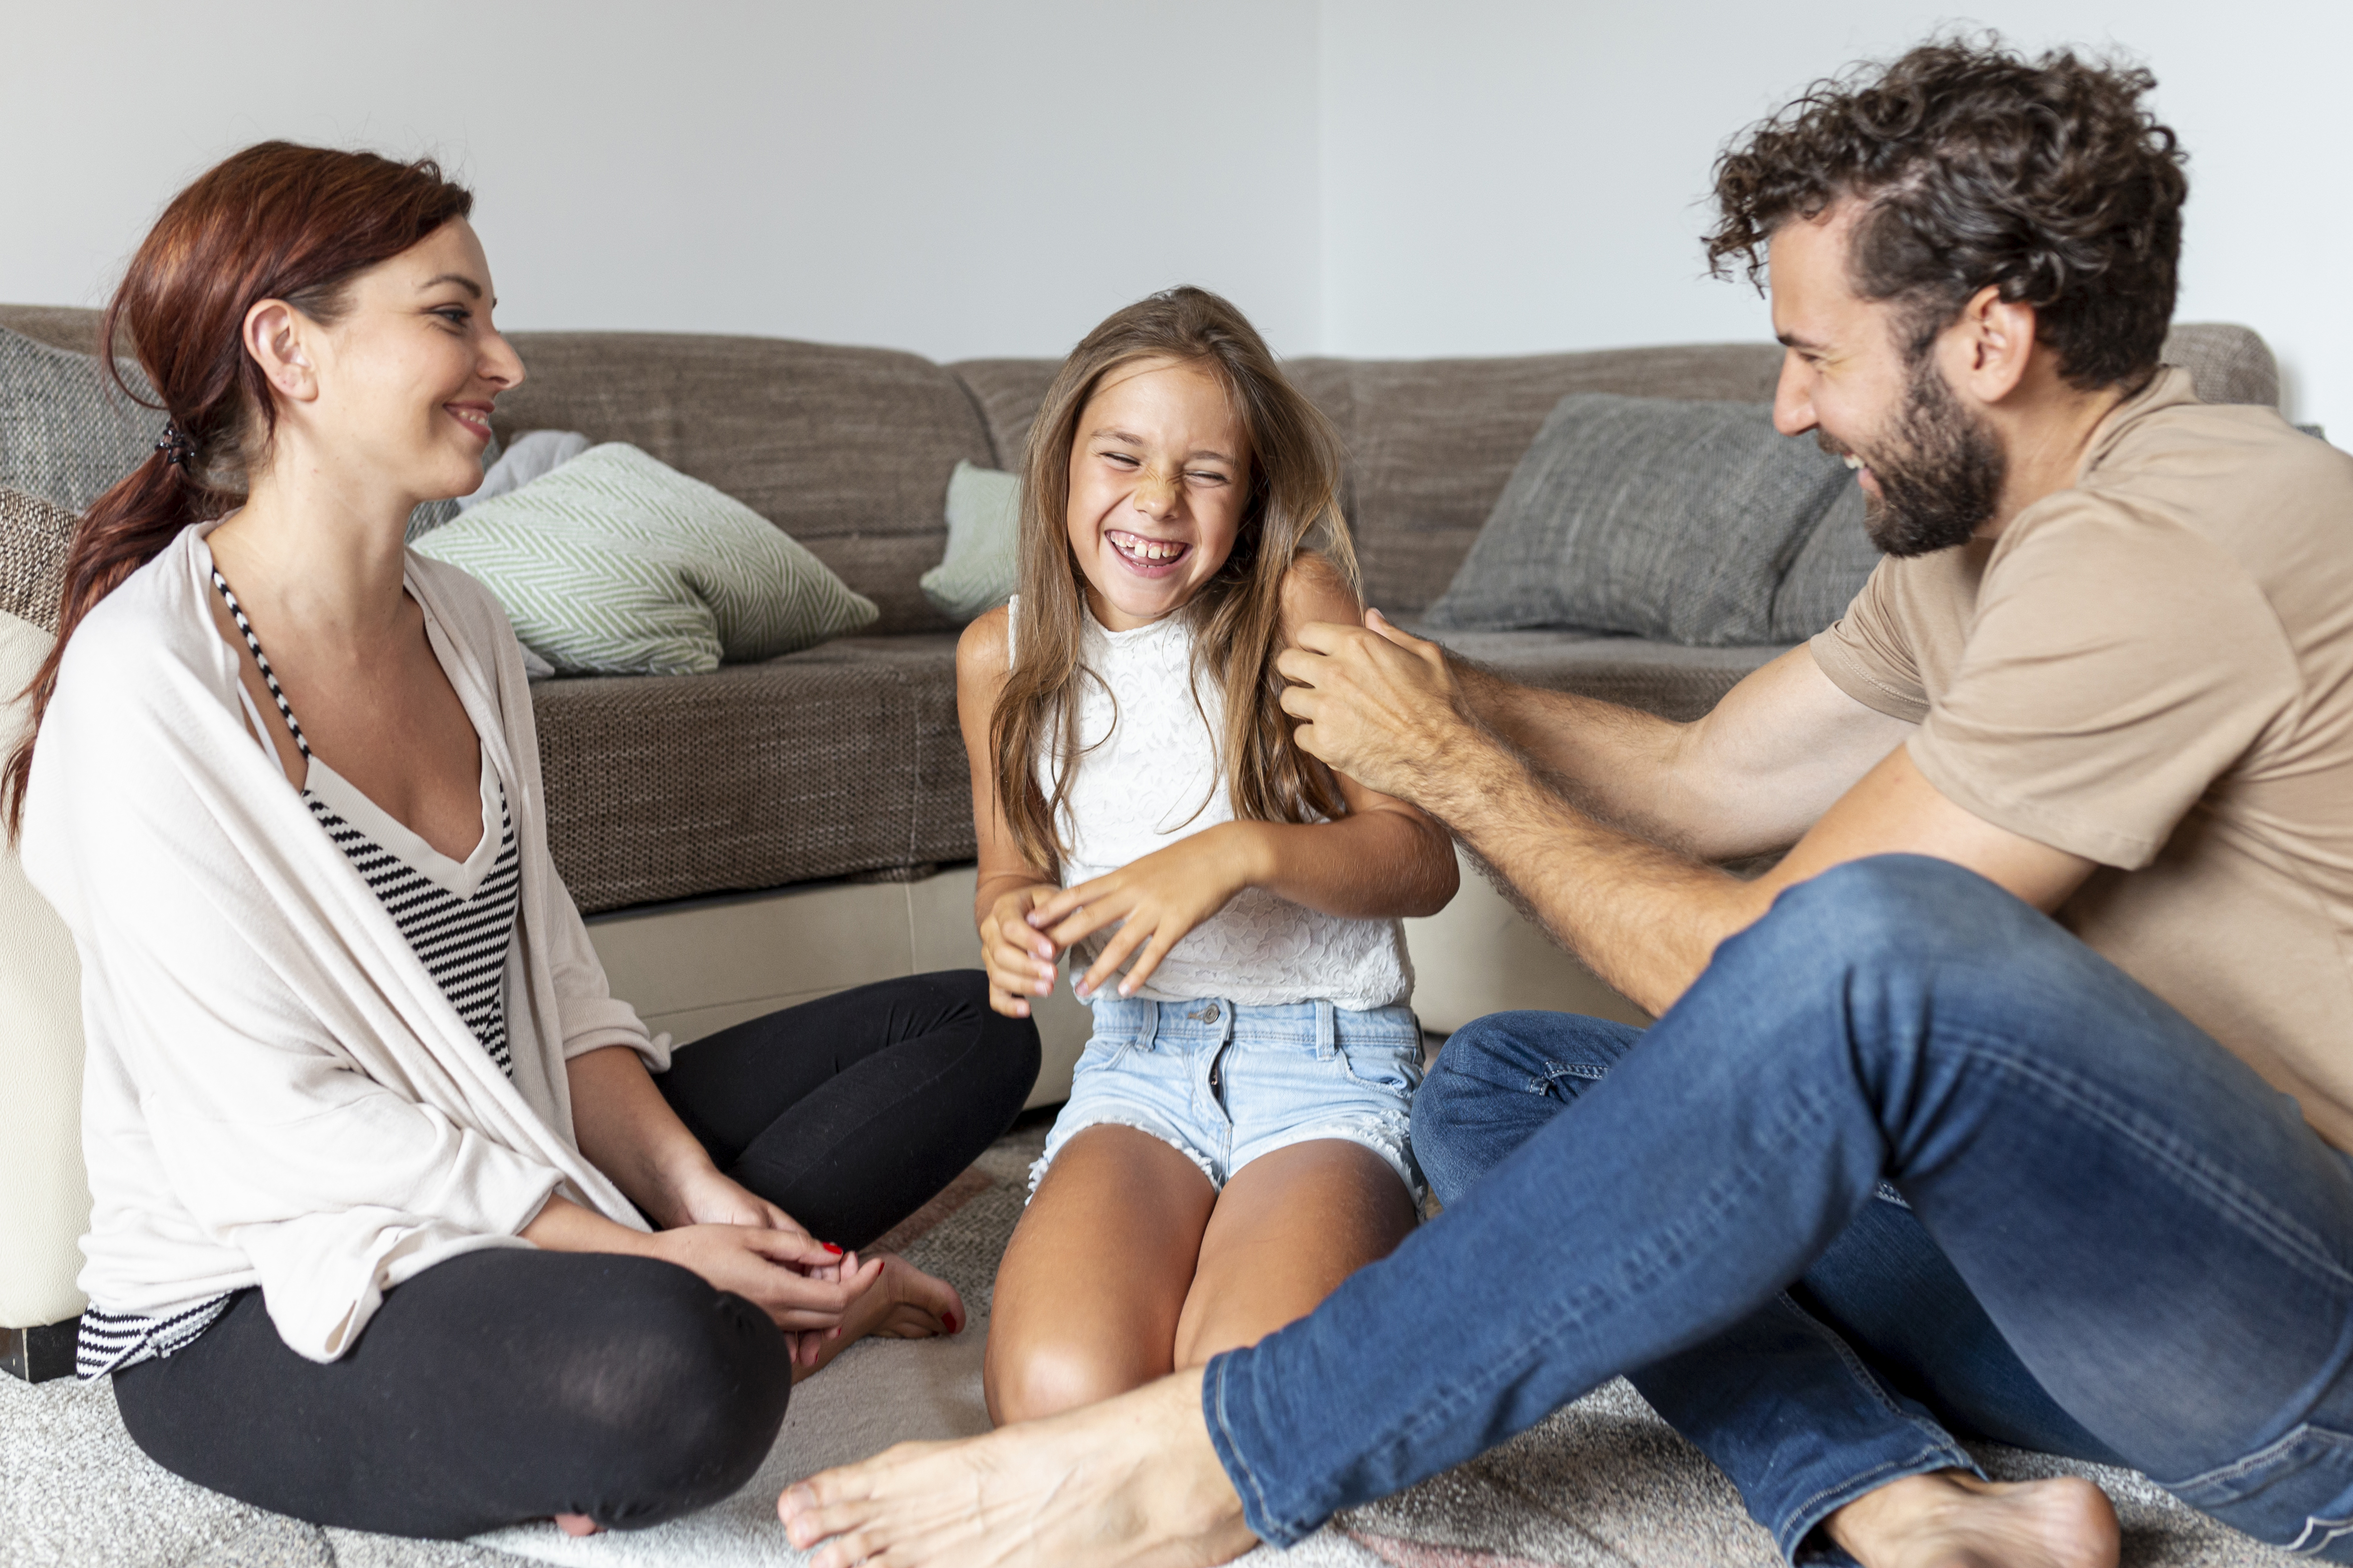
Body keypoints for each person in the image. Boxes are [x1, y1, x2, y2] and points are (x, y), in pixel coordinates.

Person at [775, 38, 2353, 1568]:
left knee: (1870, 942)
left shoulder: (2171, 540)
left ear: (1989, 343)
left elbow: (1788, 981)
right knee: (1506, 1082)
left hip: (2303, 1352)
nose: (1788, 413)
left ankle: (1221, 1456)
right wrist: (1430, 688)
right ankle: (1891, 1497)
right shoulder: (1972, 554)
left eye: (1813, 355)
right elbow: (1707, 773)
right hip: (2078, 1282)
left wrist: (1452, 773)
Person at [4, 141, 1038, 1541]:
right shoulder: (151, 685)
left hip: (519, 1150)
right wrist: (651, 1262)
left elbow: (549, 983)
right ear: (286, 350)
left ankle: (714, 1291)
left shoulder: (466, 622)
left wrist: (698, 1198)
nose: (506, 360)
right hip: (267, 1281)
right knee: (677, 1374)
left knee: (981, 1030)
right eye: (452, 315)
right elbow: (280, 1126)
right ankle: (749, 1317)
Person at [962, 287, 1458, 1422]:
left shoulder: (1297, 600)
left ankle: (1372, 1223)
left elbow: (1421, 859)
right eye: (1122, 456)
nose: (1155, 501)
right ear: (1061, 467)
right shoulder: (999, 651)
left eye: (1206, 472)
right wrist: (1009, 917)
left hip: (1326, 1065)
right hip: (1141, 1060)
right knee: (1056, 1396)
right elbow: (1009, 866)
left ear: (1252, 497)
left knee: (1241, 1398)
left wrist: (1239, 853)